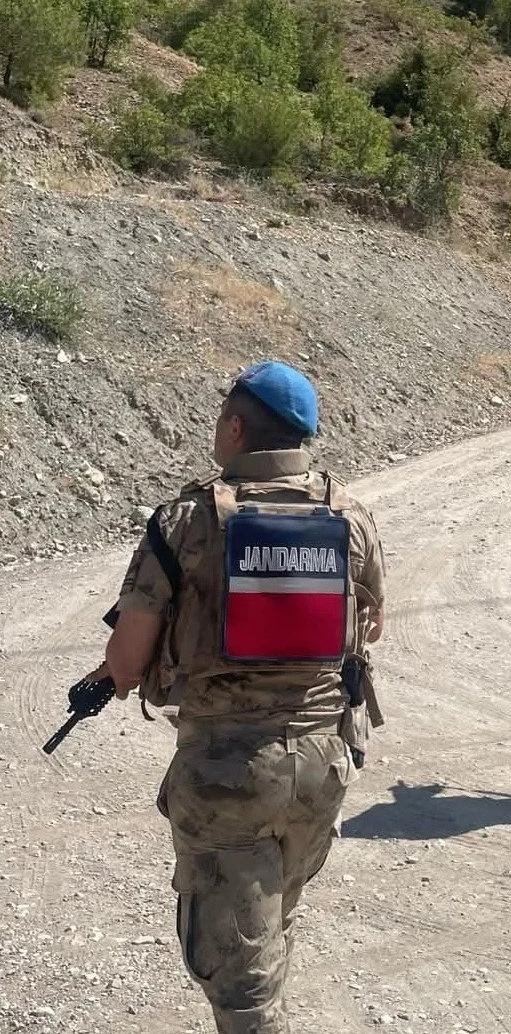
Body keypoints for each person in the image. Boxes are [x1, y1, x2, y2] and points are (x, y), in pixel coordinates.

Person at [86, 360, 386, 1034]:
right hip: (323, 764)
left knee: (237, 978)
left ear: (235, 428)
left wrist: (120, 673)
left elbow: (127, 661)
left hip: (228, 772)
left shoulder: (187, 518)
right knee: (272, 929)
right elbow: (369, 629)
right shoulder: (351, 515)